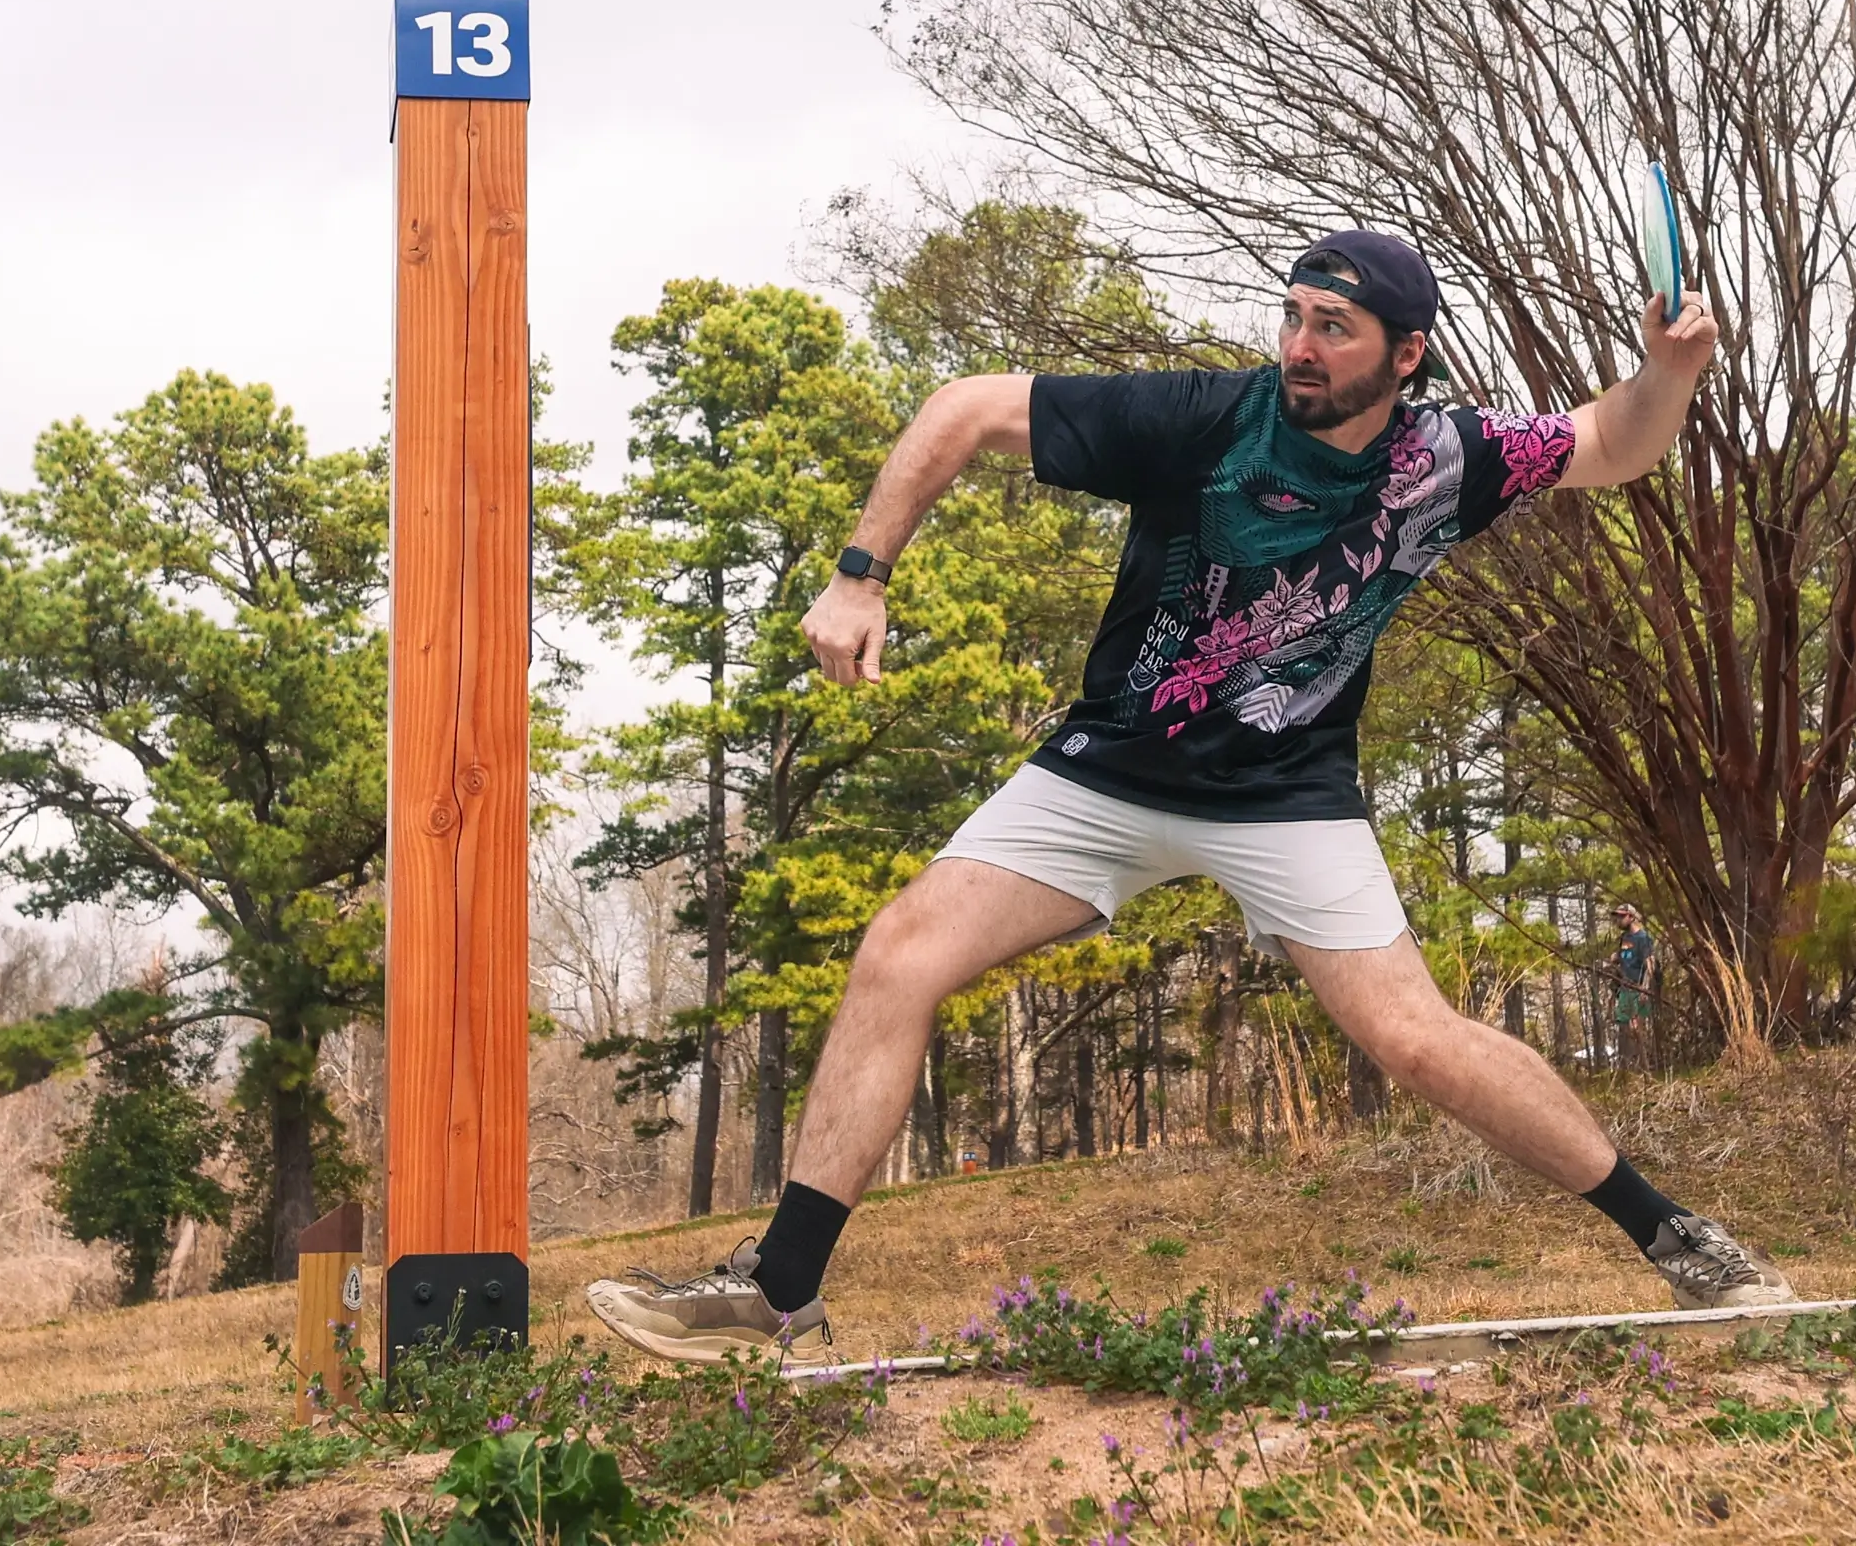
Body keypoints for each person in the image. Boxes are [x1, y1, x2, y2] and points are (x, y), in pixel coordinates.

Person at [585, 230, 1795, 1362]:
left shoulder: (1450, 459)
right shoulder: (1199, 417)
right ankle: (779, 1284)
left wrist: (1668, 367)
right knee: (899, 952)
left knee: (1419, 1040)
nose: (1302, 349)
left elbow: (1618, 441)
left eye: (1337, 328)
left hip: (1289, 794)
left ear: (1407, 354)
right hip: (1107, 771)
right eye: (1295, 317)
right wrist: (862, 574)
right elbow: (962, 410)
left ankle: (1680, 1239)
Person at [1610, 903, 1659, 1074]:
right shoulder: (1624, 938)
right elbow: (1623, 958)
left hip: (1638, 989)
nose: (1618, 920)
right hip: (1624, 989)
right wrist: (1615, 958)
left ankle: (1646, 1068)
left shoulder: (1643, 938)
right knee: (1624, 1028)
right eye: (1617, 916)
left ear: (1631, 917)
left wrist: (1644, 989)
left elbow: (1650, 965)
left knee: (1636, 1029)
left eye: (1622, 916)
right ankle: (1631, 1069)